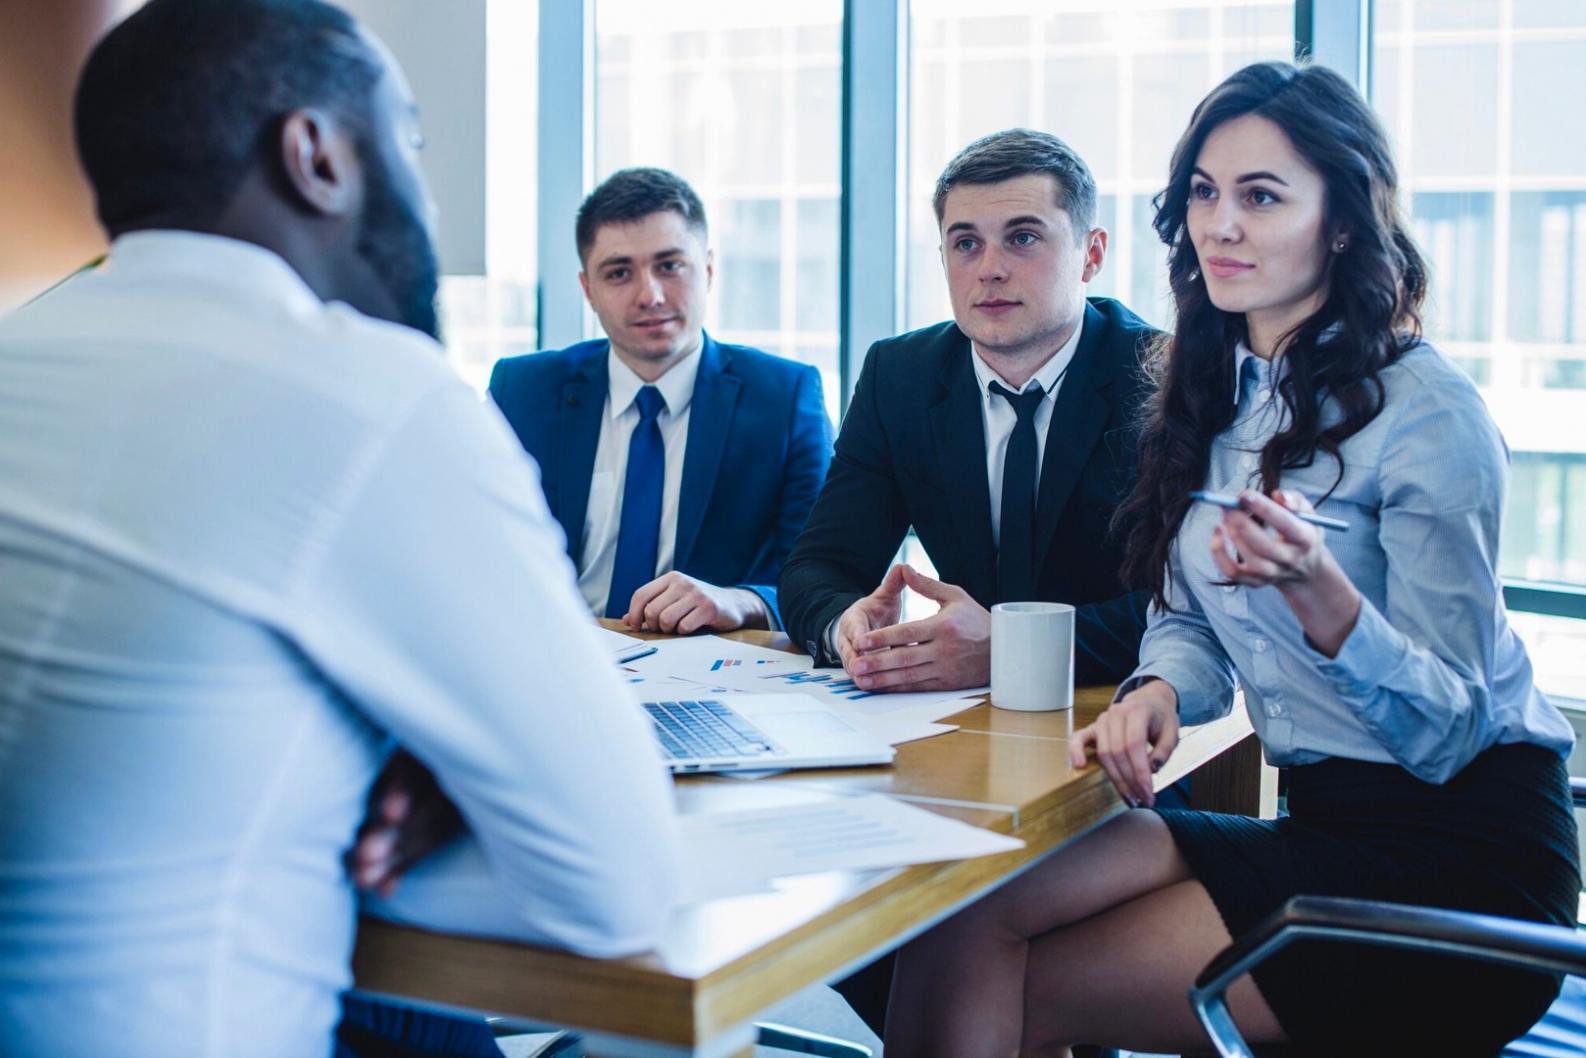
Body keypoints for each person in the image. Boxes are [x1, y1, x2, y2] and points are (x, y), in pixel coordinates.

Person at [0, 3, 678, 1058]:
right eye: (406, 139)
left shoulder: (21, 357)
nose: (429, 188)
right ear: (313, 153)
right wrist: (454, 774)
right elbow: (625, 885)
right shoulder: (367, 392)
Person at [885, 61, 1580, 1058]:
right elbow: (1184, 617)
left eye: (1259, 196)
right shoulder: (1211, 394)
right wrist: (1158, 689)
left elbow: (1447, 730)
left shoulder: (1429, 413)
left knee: (1003, 987)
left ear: (1339, 222)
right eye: (1204, 193)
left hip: (1459, 864)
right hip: (1321, 824)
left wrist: (1325, 599)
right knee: (957, 905)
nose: (1220, 224)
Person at [778, 128, 1152, 695]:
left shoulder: (1162, 377)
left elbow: (1191, 605)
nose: (989, 269)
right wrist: (845, 627)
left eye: (1022, 239)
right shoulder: (899, 376)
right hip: (955, 713)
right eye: (966, 244)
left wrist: (1009, 651)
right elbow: (819, 566)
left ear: (1091, 255)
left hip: (1120, 713)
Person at [489, 167, 832, 634]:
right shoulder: (521, 391)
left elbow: (825, 574)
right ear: (588, 289)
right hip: (555, 654)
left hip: (712, 670)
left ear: (708, 270)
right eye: (619, 273)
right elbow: (472, 545)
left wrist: (741, 600)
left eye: (670, 266)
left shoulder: (785, 398)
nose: (649, 296)